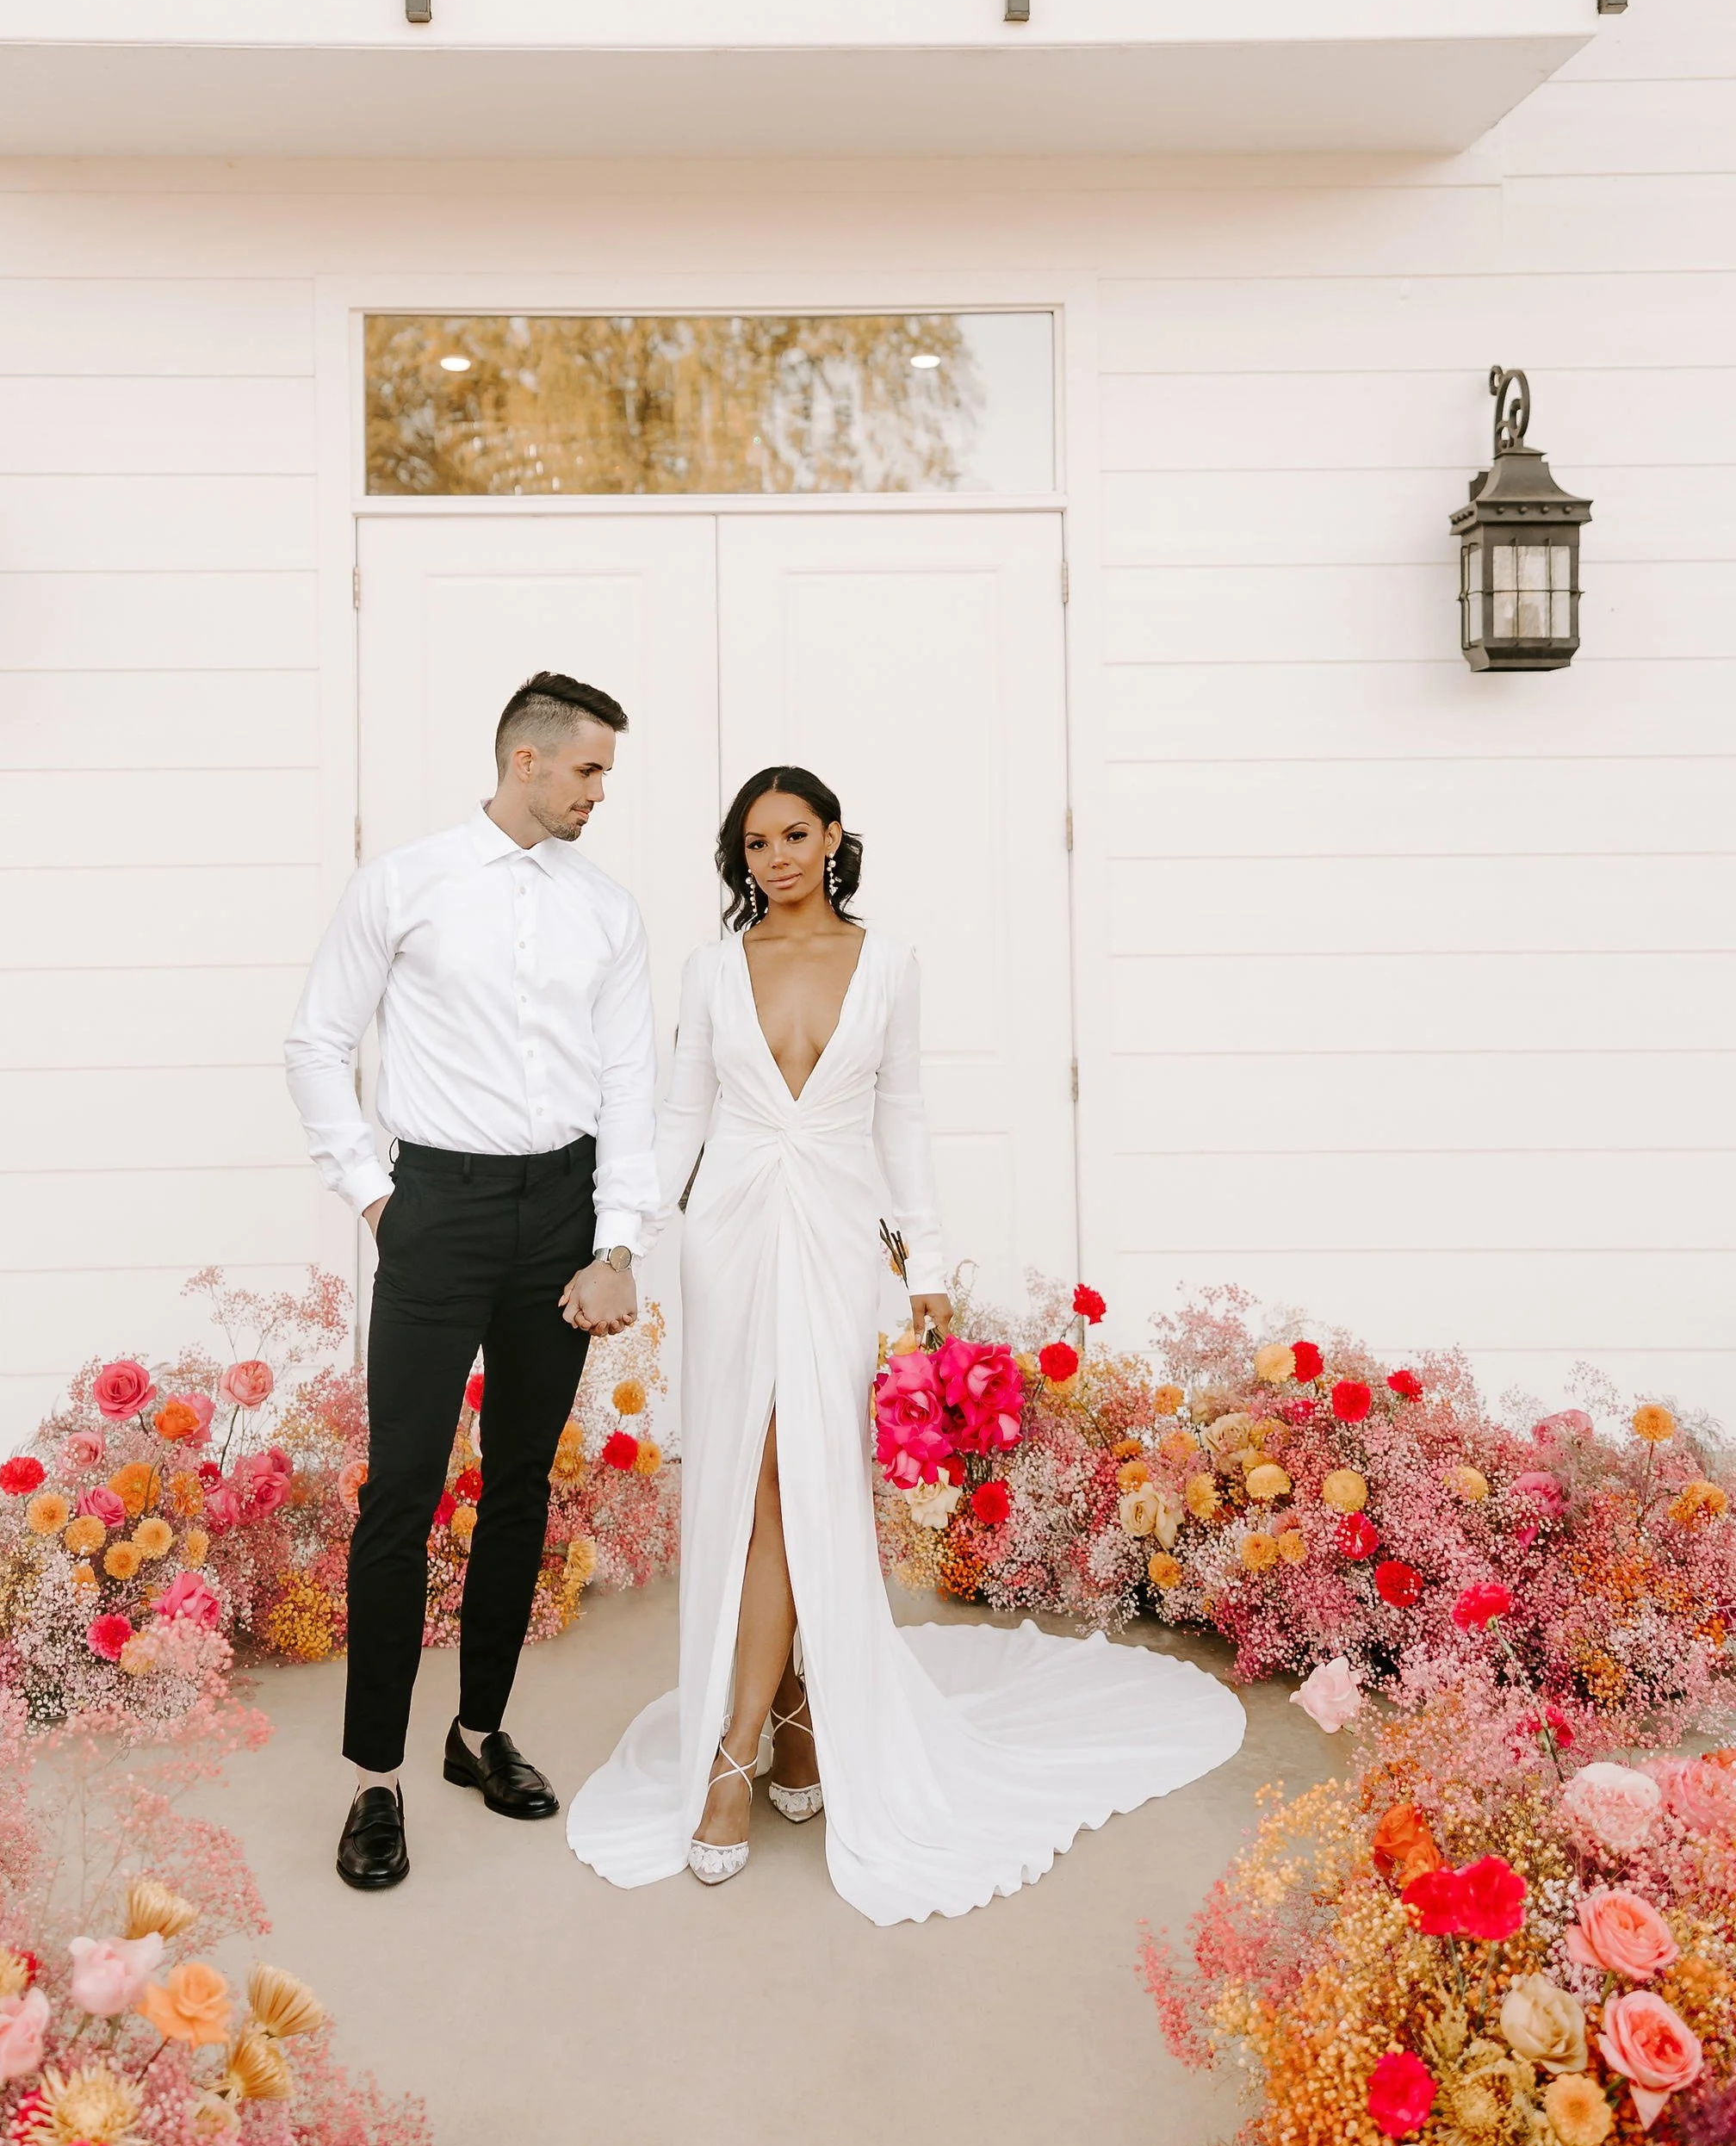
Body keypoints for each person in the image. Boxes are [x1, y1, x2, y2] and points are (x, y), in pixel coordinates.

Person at [567, 766, 1244, 1926]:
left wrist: (925, 1266)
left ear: (833, 837)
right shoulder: (709, 968)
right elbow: (679, 1117)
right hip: (727, 1237)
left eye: (792, 835)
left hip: (833, 1235)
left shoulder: (888, 964)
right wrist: (620, 1242)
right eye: (752, 842)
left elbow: (904, 1117)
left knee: (801, 1473)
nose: (772, 858)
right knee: (755, 1475)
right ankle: (784, 1733)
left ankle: (753, 1746)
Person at [286, 671, 654, 1893]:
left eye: (607, 772)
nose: (603, 792)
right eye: (590, 770)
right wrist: (373, 1193)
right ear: (526, 760)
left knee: (519, 1488)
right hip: (435, 1206)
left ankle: (478, 1731)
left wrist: (617, 1243)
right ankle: (373, 1778)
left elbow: (628, 1085)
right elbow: (318, 1039)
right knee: (400, 1493)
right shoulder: (403, 883)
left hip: (562, 1213)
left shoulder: (607, 911)